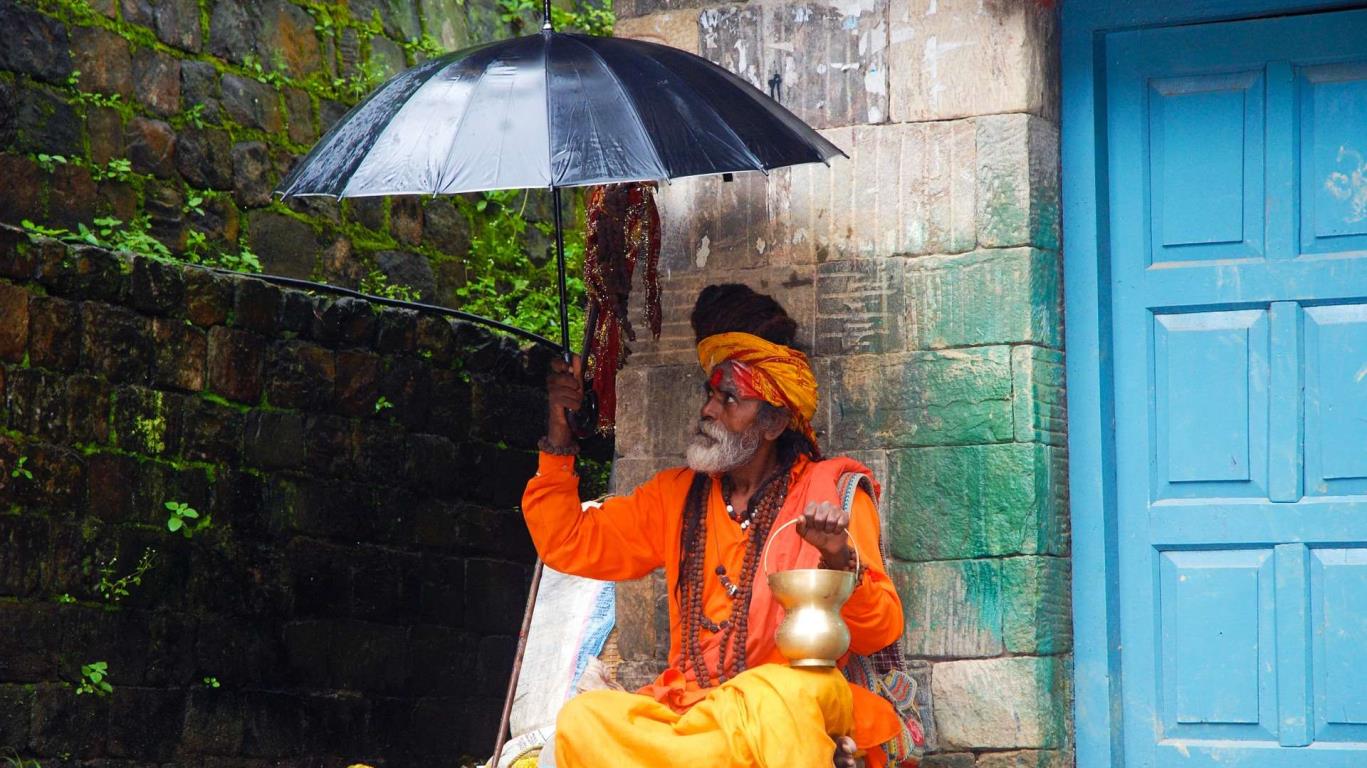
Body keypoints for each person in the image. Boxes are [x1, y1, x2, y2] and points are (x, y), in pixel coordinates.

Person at [522, 284, 905, 768]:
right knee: (584, 718)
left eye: (729, 398)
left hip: (786, 707)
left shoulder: (830, 491)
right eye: (711, 394)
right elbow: (568, 543)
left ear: (773, 423)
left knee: (777, 694)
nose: (709, 409)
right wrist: (559, 440)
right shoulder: (677, 495)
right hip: (696, 715)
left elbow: (880, 631)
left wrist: (839, 560)